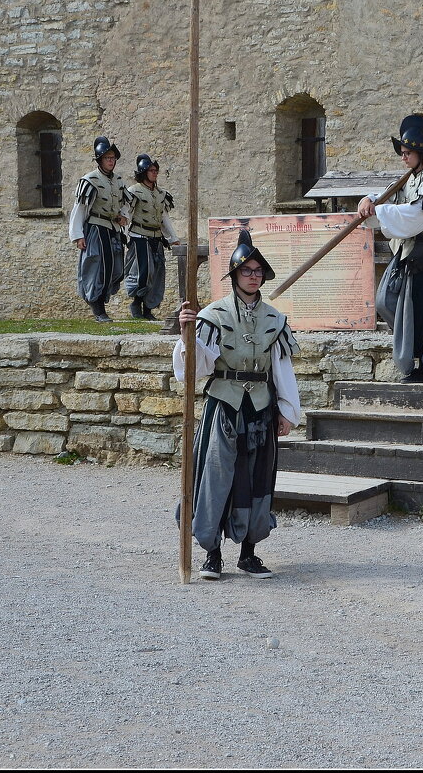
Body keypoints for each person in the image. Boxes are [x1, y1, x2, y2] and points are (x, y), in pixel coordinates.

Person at [173, 230, 301, 581]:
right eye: (247, 270)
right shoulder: (212, 315)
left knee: (257, 480)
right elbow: (194, 370)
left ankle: (249, 553)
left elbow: (281, 368)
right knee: (215, 477)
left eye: (258, 270)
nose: (254, 275)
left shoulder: (274, 319)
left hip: (260, 408)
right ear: (234, 275)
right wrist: (188, 336)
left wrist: (287, 411)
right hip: (223, 405)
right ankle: (212, 554)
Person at [358, 112, 423, 383]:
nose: (403, 157)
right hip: (405, 254)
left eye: (407, 152)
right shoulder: (410, 179)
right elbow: (387, 196)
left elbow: (414, 217)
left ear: (421, 152)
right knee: (387, 302)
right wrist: (369, 200)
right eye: (402, 152)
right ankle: (411, 354)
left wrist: (379, 210)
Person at [69, 136, 129, 321]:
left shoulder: (118, 181)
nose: (111, 161)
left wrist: (123, 216)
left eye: (113, 158)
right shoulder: (90, 180)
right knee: (96, 267)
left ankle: (101, 301)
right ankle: (98, 308)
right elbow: (79, 209)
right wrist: (78, 235)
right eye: (107, 158)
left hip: (112, 230)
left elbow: (124, 203)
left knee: (115, 268)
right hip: (96, 229)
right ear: (100, 160)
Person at [121, 153, 179, 320]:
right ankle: (136, 303)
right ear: (143, 172)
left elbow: (163, 218)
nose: (154, 173)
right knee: (144, 272)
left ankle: (148, 310)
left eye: (156, 170)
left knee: (157, 274)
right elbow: (127, 214)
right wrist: (125, 236)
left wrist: (173, 238)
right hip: (139, 236)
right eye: (151, 170)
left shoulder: (161, 194)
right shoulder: (134, 191)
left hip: (156, 238)